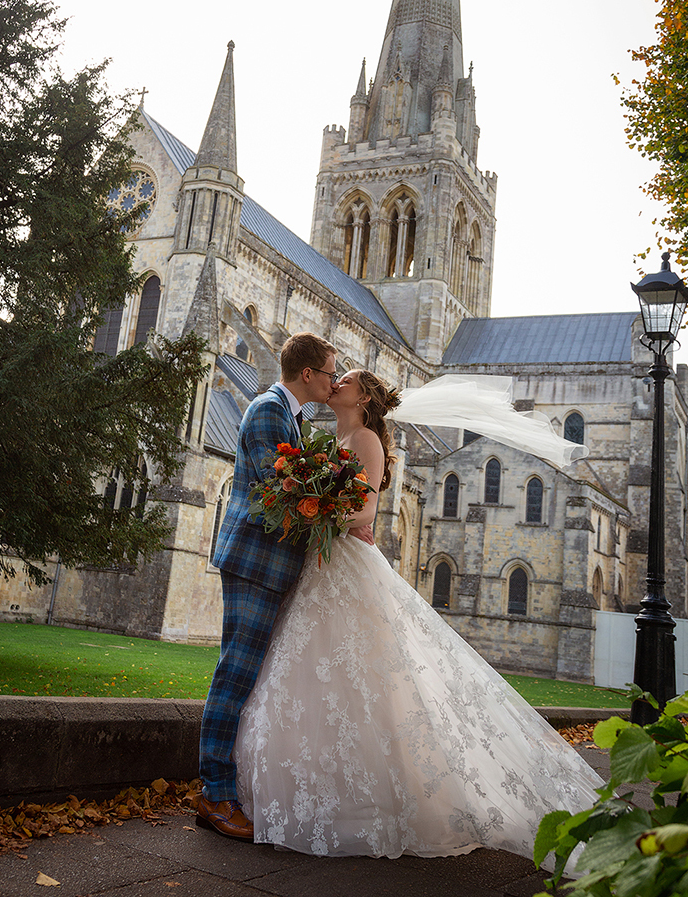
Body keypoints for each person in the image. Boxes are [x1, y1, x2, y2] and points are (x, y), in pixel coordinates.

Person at [233, 369, 602, 861]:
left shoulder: (365, 438)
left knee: (369, 674)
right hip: (324, 562)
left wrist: (315, 514)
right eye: (333, 374)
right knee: (323, 674)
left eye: (344, 378)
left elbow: (365, 513)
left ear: (362, 396)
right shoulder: (330, 435)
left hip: (345, 560)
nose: (335, 381)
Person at [197, 334, 375, 841]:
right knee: (235, 675)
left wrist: (338, 510)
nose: (333, 379)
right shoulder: (268, 409)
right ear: (308, 375)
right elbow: (280, 495)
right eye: (330, 371)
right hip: (255, 562)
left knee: (247, 677)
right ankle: (214, 794)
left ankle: (227, 788)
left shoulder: (290, 415)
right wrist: (338, 514)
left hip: (269, 566)